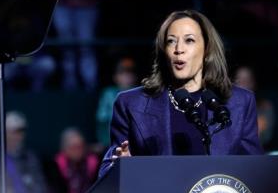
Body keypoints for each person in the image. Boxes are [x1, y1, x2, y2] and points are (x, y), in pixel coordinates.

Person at [99, 9, 262, 177]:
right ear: (164, 51)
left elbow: (255, 172)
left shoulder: (240, 102)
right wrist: (121, 167)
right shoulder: (131, 103)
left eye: (189, 40)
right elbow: (107, 172)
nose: (178, 49)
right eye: (171, 41)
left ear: (207, 50)